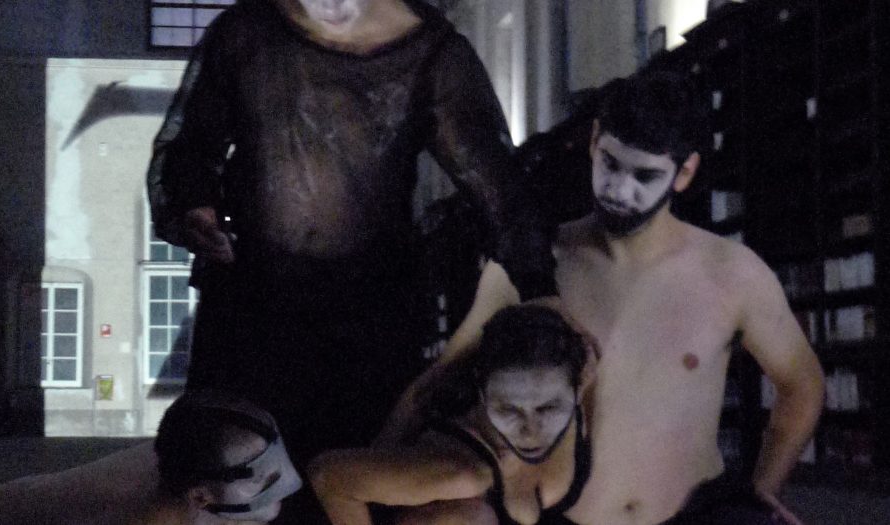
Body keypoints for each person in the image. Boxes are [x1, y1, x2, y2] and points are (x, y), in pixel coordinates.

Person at [389, 72, 825, 524]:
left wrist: (763, 489)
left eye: (645, 175)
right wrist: (377, 465)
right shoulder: (533, 266)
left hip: (694, 515)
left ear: (684, 173)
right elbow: (440, 377)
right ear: (595, 140)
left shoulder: (733, 272)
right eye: (610, 164)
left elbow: (802, 384)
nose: (619, 189)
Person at [145, 0, 536, 471]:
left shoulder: (433, 54)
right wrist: (195, 206)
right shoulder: (246, 34)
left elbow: (495, 185)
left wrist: (539, 284)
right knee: (237, 471)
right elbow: (191, 145)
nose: (329, 5)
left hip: (369, 315)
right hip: (254, 304)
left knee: (355, 466)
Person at [310, 304, 593, 525]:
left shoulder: (581, 364)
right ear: (483, 396)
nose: (530, 431)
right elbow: (329, 477)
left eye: (548, 408)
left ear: (578, 388)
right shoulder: (460, 473)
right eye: (508, 410)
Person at [0, 391, 301, 525]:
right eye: (262, 479)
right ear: (200, 496)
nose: (283, 481)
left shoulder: (199, 457)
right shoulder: (152, 513)